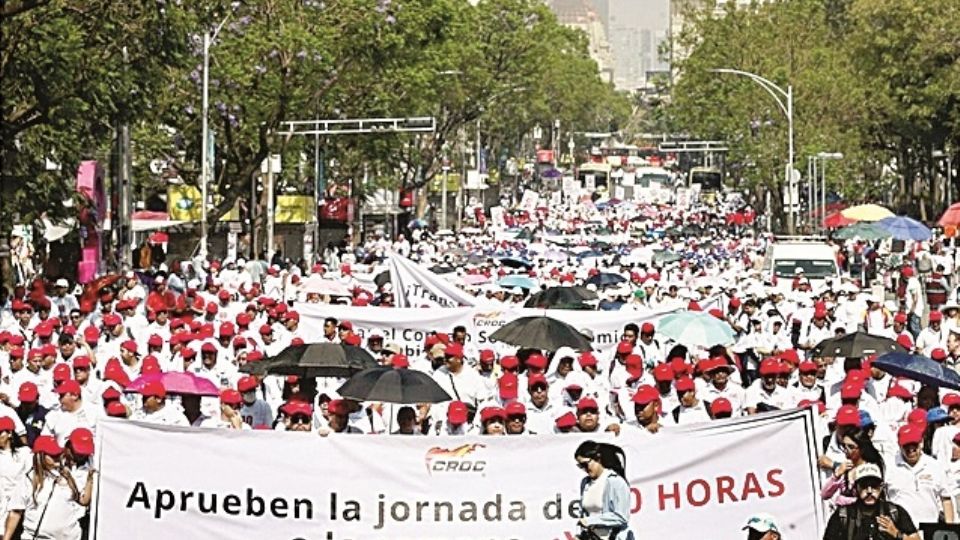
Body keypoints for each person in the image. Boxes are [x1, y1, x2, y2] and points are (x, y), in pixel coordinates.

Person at [3, 435, 93, 540]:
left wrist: (90, 480)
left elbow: (83, 500)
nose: (57, 457)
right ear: (41, 456)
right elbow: (15, 512)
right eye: (52, 454)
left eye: (58, 453)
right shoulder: (28, 479)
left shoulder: (66, 475)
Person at [822, 462, 920, 540]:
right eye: (864, 486)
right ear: (856, 488)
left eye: (874, 485)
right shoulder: (843, 515)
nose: (869, 491)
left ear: (881, 488)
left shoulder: (894, 511)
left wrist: (896, 534)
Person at [574, 440, 635, 540]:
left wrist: (591, 521)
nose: (585, 469)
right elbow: (584, 515)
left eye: (586, 464)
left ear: (598, 458)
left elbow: (622, 517)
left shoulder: (615, 481)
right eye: (581, 466)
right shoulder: (585, 483)